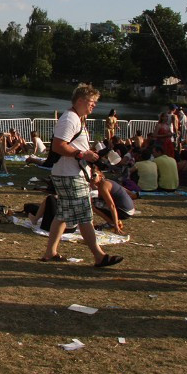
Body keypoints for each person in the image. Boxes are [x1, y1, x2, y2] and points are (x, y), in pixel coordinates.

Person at [41, 83, 123, 268]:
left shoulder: (76, 118)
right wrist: (82, 154)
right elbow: (58, 146)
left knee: (62, 215)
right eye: (92, 102)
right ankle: (99, 256)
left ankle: (50, 252)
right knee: (85, 215)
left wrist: (88, 154)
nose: (94, 105)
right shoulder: (70, 119)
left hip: (68, 172)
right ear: (80, 100)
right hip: (69, 174)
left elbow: (71, 146)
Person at [89, 168, 132, 235]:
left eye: (94, 175)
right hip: (128, 209)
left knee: (91, 205)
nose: (91, 178)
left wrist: (116, 226)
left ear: (100, 175)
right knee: (94, 201)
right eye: (89, 175)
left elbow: (112, 206)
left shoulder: (103, 186)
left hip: (125, 211)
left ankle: (112, 223)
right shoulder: (105, 182)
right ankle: (114, 222)